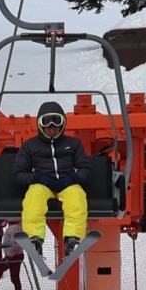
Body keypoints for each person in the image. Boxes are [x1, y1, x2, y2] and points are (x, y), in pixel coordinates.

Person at [17, 101, 88, 266]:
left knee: (77, 195)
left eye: (56, 122)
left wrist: (72, 178)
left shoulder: (73, 143)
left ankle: (73, 237)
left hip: (66, 183)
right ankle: (35, 238)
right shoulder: (30, 145)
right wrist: (37, 178)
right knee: (33, 196)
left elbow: (86, 169)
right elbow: (18, 174)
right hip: (43, 184)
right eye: (47, 122)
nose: (52, 127)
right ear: (40, 124)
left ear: (63, 123)